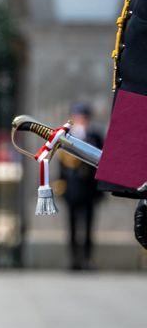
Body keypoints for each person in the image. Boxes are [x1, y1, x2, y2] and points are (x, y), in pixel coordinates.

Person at [60, 102, 105, 270]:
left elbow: (101, 161)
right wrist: (61, 185)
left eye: (84, 117)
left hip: (89, 187)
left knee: (88, 226)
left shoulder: (95, 136)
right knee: (72, 226)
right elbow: (62, 165)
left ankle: (87, 259)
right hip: (72, 187)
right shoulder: (66, 135)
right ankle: (74, 259)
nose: (81, 119)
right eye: (79, 116)